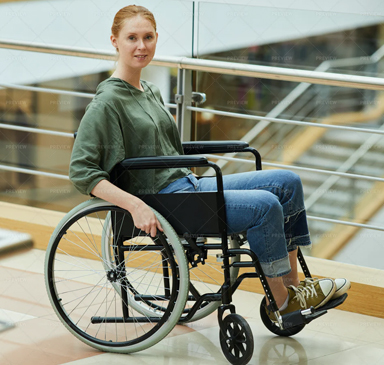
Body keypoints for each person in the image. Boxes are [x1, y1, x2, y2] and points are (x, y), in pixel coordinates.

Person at [69, 5, 350, 321]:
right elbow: (82, 172)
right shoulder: (106, 102)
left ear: (156, 38)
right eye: (131, 38)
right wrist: (136, 206)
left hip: (187, 184)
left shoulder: (149, 90)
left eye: (147, 37)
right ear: (114, 41)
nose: (141, 46)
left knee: (287, 183)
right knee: (266, 205)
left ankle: (295, 289)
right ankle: (284, 304)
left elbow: (168, 149)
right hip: (166, 201)